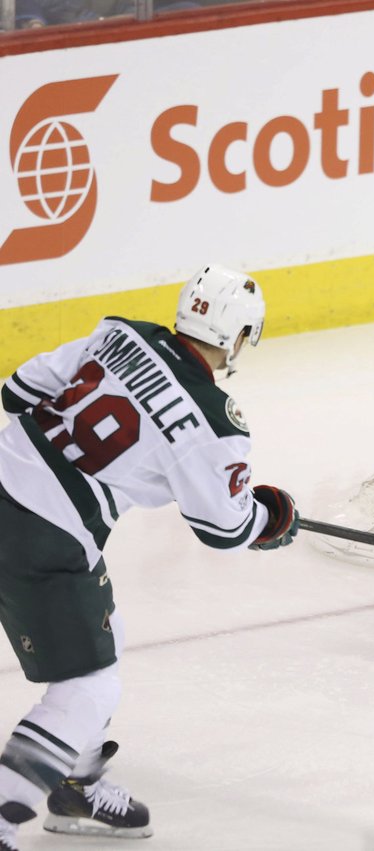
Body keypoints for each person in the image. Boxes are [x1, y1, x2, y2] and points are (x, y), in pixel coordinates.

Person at [0, 265, 299, 850]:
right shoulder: (216, 422)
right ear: (238, 338)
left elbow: (16, 391)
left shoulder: (121, 331)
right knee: (89, 686)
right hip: (45, 537)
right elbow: (223, 527)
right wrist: (272, 516)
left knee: (97, 645)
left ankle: (76, 786)